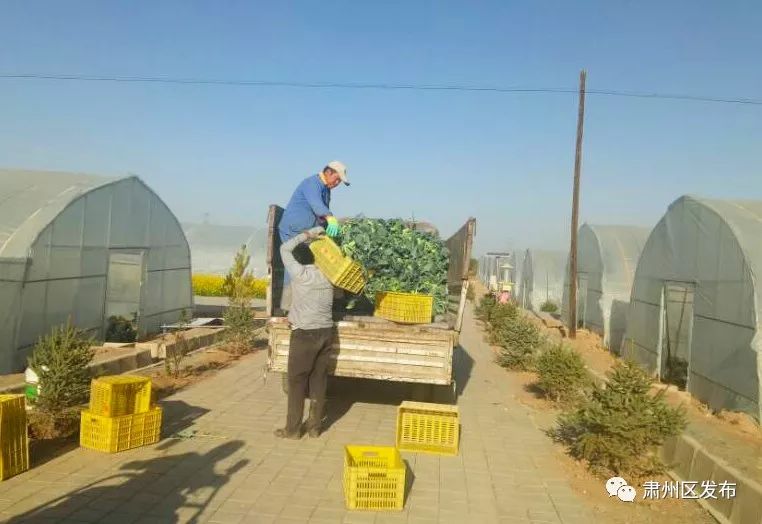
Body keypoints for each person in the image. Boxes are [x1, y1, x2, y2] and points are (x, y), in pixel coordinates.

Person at [274, 225, 335, 439]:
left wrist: (307, 235)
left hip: (304, 334)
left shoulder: (300, 273)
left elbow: (284, 249)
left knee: (297, 381)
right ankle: (315, 428)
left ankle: (292, 430)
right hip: (326, 332)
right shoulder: (331, 276)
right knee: (319, 380)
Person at [278, 161, 350, 312]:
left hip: (308, 231)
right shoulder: (312, 183)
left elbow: (322, 212)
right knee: (294, 264)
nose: (337, 183)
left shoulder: (326, 189)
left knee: (318, 263)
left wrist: (328, 225)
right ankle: (287, 307)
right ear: (328, 172)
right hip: (293, 230)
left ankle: (324, 302)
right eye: (336, 179)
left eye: (339, 182)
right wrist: (330, 218)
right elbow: (317, 206)